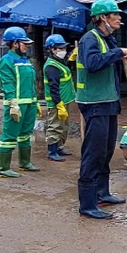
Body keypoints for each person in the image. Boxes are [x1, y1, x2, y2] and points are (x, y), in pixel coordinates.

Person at [75, 0, 127, 220]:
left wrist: (121, 53)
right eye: (114, 14)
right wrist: (118, 53)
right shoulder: (90, 39)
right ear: (102, 18)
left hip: (108, 102)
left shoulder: (108, 39)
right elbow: (93, 63)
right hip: (94, 103)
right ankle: (87, 204)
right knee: (94, 153)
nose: (118, 17)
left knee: (106, 151)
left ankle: (102, 193)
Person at [0, 27, 41, 178]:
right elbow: (7, 82)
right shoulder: (7, 60)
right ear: (15, 43)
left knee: (25, 134)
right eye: (24, 43)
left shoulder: (25, 60)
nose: (27, 46)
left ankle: (25, 162)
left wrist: (36, 101)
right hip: (16, 104)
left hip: (29, 103)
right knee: (9, 135)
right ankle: (3, 168)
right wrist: (12, 103)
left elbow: (31, 83)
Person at [42, 34, 74, 162]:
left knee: (64, 126)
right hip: (57, 102)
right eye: (60, 48)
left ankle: (59, 147)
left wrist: (71, 60)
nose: (63, 51)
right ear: (52, 50)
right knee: (55, 126)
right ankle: (52, 151)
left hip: (64, 100)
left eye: (64, 48)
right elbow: (53, 87)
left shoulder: (58, 63)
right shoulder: (51, 66)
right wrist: (58, 103)